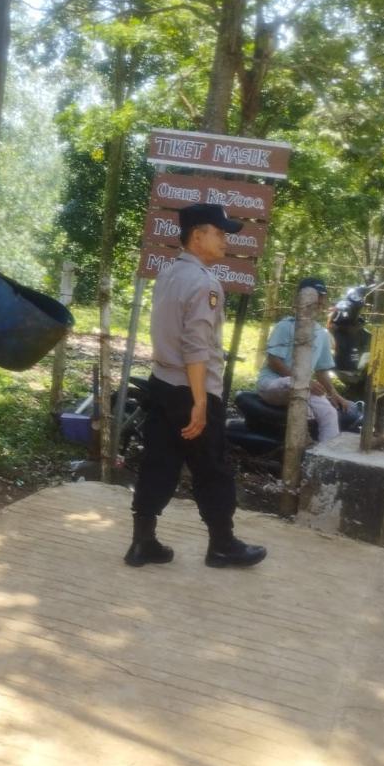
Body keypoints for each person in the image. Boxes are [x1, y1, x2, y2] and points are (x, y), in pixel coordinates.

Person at [127, 204, 267, 570]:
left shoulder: (168, 274)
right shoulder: (205, 283)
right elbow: (195, 347)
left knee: (158, 461)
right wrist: (200, 401)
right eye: (219, 233)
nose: (225, 240)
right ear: (197, 236)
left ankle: (143, 542)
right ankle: (222, 545)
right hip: (192, 390)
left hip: (162, 384)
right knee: (212, 468)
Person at [255, 277, 352, 444]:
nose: (318, 301)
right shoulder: (285, 326)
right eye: (313, 297)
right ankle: (302, 440)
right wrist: (303, 381)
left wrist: (334, 394)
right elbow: (273, 361)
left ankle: (325, 453)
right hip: (274, 384)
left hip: (304, 388)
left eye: (321, 297)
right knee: (292, 385)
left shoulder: (321, 334)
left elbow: (321, 371)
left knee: (329, 412)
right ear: (300, 299)